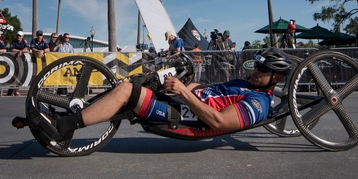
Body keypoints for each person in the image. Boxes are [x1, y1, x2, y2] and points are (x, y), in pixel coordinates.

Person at [28, 48, 294, 143]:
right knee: (137, 82)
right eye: (257, 65)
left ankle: (62, 126)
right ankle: (70, 116)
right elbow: (208, 92)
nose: (256, 70)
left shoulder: (258, 103)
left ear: (276, 78)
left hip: (189, 119)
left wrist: (183, 94)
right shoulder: (242, 83)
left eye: (263, 69)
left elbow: (219, 122)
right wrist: (183, 86)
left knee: (126, 92)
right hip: (185, 103)